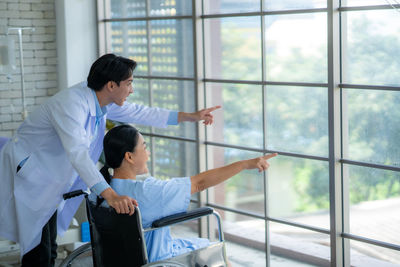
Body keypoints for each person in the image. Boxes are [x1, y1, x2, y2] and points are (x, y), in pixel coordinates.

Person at [0, 53, 220, 266]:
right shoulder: (71, 105)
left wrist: (190, 116)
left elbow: (142, 113)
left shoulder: (101, 102)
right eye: (129, 83)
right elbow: (78, 153)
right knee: (38, 251)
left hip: (48, 180)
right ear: (111, 85)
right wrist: (111, 195)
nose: (132, 90)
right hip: (32, 178)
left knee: (47, 248)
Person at [96, 124, 277, 262]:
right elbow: (199, 184)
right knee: (215, 249)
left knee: (201, 243)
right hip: (160, 260)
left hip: (123, 260)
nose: (148, 153)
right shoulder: (148, 192)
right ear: (129, 156)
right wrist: (245, 164)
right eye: (144, 147)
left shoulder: (103, 191)